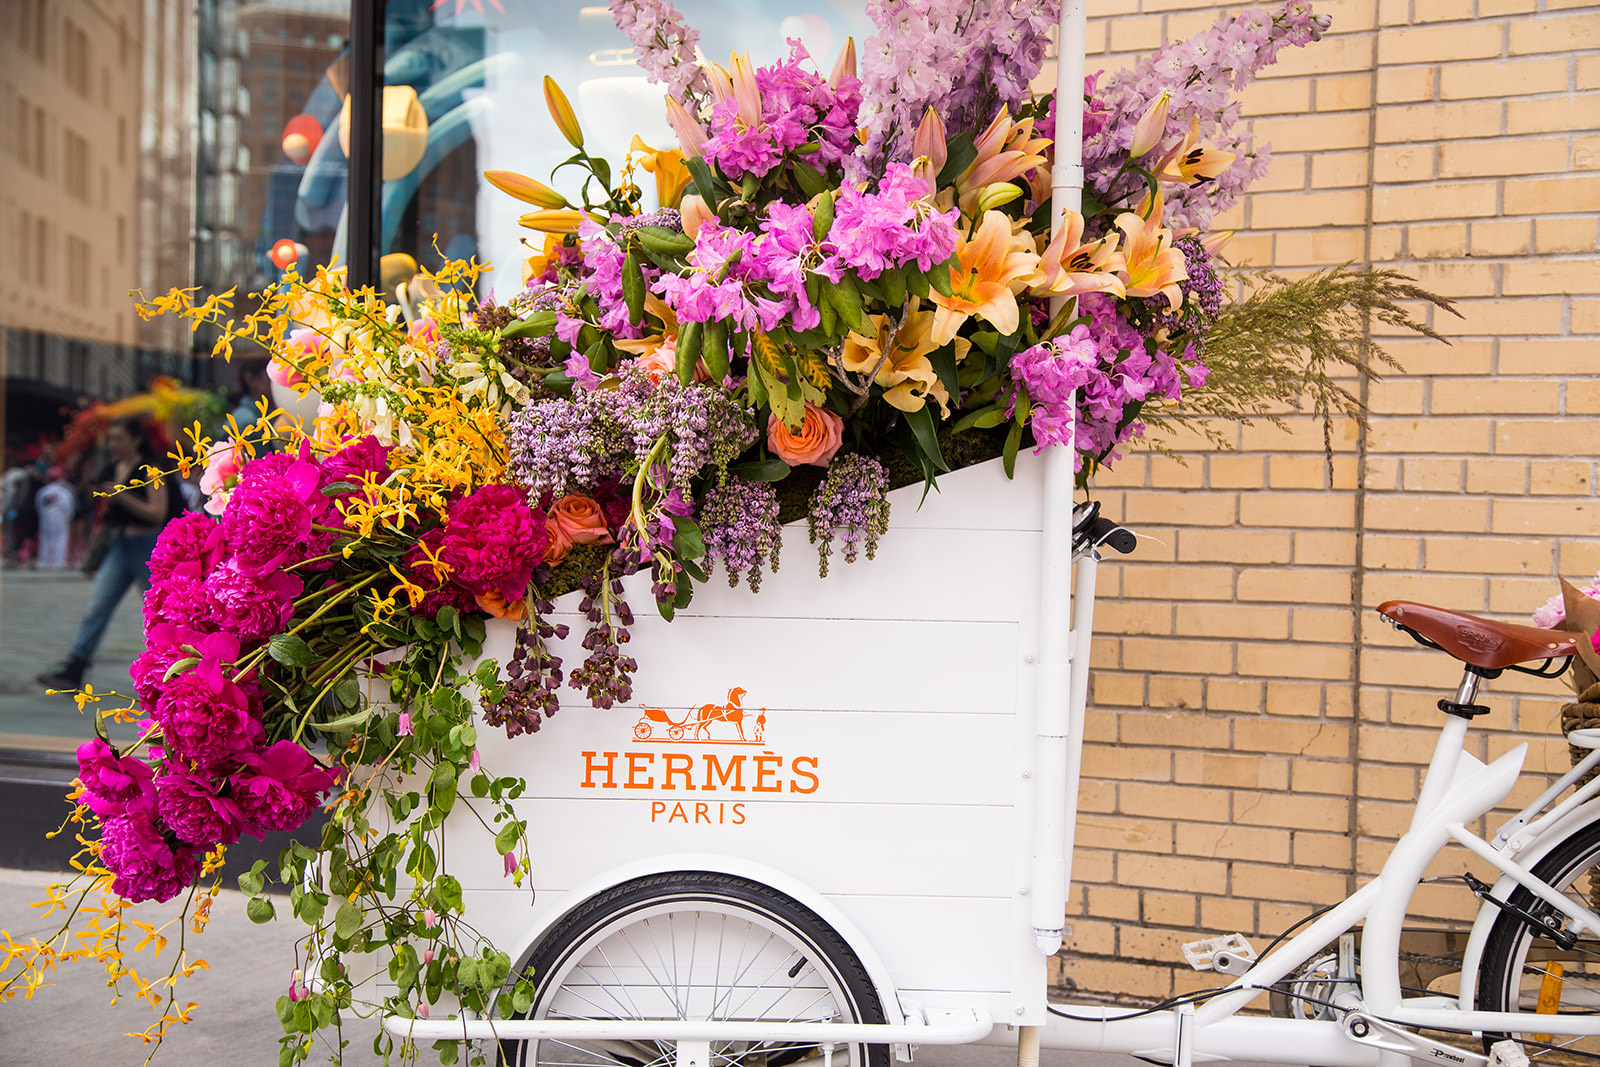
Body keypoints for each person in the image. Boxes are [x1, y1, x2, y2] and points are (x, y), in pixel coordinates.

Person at [37, 418, 181, 690]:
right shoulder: (113, 467)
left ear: (136, 439)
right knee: (97, 607)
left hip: (147, 547)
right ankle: (76, 664)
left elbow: (156, 512)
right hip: (119, 545)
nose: (113, 445)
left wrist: (120, 494)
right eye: (111, 439)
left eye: (119, 438)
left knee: (163, 609)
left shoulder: (150, 469)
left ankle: (179, 664)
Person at [34, 467, 74, 569]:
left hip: (46, 518)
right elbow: (68, 507)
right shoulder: (64, 492)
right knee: (60, 539)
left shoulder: (42, 491)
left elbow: (38, 506)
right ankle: (58, 562)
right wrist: (68, 517)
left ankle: (44, 561)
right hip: (60, 518)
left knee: (45, 539)